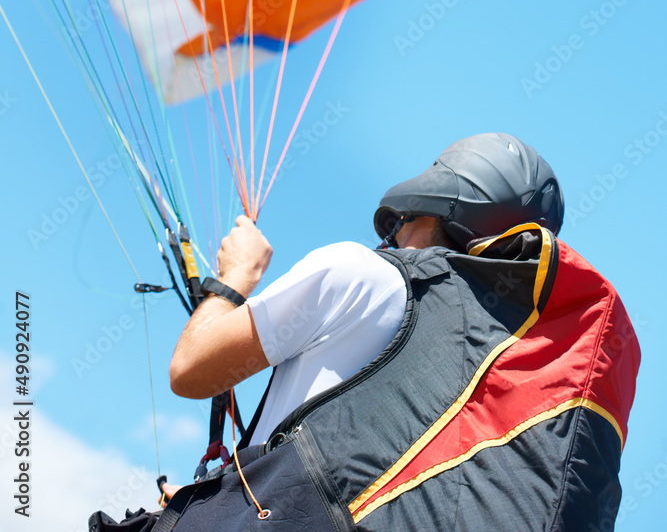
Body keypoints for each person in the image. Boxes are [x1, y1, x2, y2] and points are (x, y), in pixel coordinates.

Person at [106, 133, 640, 531]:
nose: (390, 236)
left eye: (398, 223)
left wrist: (233, 278)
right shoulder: (485, 354)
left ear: (430, 206)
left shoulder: (358, 272)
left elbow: (191, 369)